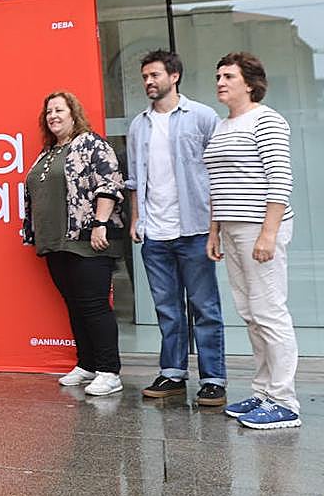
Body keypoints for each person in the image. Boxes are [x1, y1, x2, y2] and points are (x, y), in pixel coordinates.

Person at [205, 52, 301, 429]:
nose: (220, 82)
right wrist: (214, 230)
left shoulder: (267, 120)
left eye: (228, 75)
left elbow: (280, 180)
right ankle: (263, 393)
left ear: (250, 82)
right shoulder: (221, 125)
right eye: (217, 76)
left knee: (270, 313)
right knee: (250, 314)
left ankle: (284, 401)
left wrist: (269, 233)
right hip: (231, 229)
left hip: (260, 228)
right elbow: (218, 185)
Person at [125, 49, 226, 406]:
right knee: (167, 309)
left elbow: (218, 176)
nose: (149, 82)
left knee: (205, 307)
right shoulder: (139, 124)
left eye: (154, 75)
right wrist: (137, 219)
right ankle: (173, 374)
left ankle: (213, 379)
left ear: (174, 76)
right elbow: (135, 180)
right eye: (145, 77)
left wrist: (216, 228)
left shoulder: (202, 117)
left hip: (195, 228)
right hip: (156, 233)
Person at [23, 90, 126, 397]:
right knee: (75, 305)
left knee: (94, 306)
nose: (53, 116)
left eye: (59, 110)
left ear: (73, 114)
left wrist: (100, 224)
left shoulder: (91, 144)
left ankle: (109, 371)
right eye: (49, 112)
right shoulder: (48, 152)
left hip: (87, 239)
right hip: (56, 242)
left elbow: (109, 185)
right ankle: (87, 363)